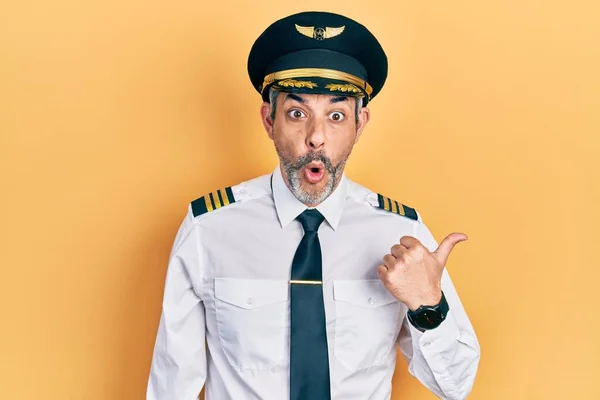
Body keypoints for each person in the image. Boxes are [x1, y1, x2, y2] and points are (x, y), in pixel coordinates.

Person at [146, 10, 480, 400]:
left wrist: (428, 304)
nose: (316, 137)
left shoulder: (399, 232)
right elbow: (172, 385)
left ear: (360, 124)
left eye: (336, 116)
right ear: (269, 120)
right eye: (297, 113)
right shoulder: (209, 228)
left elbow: (454, 387)